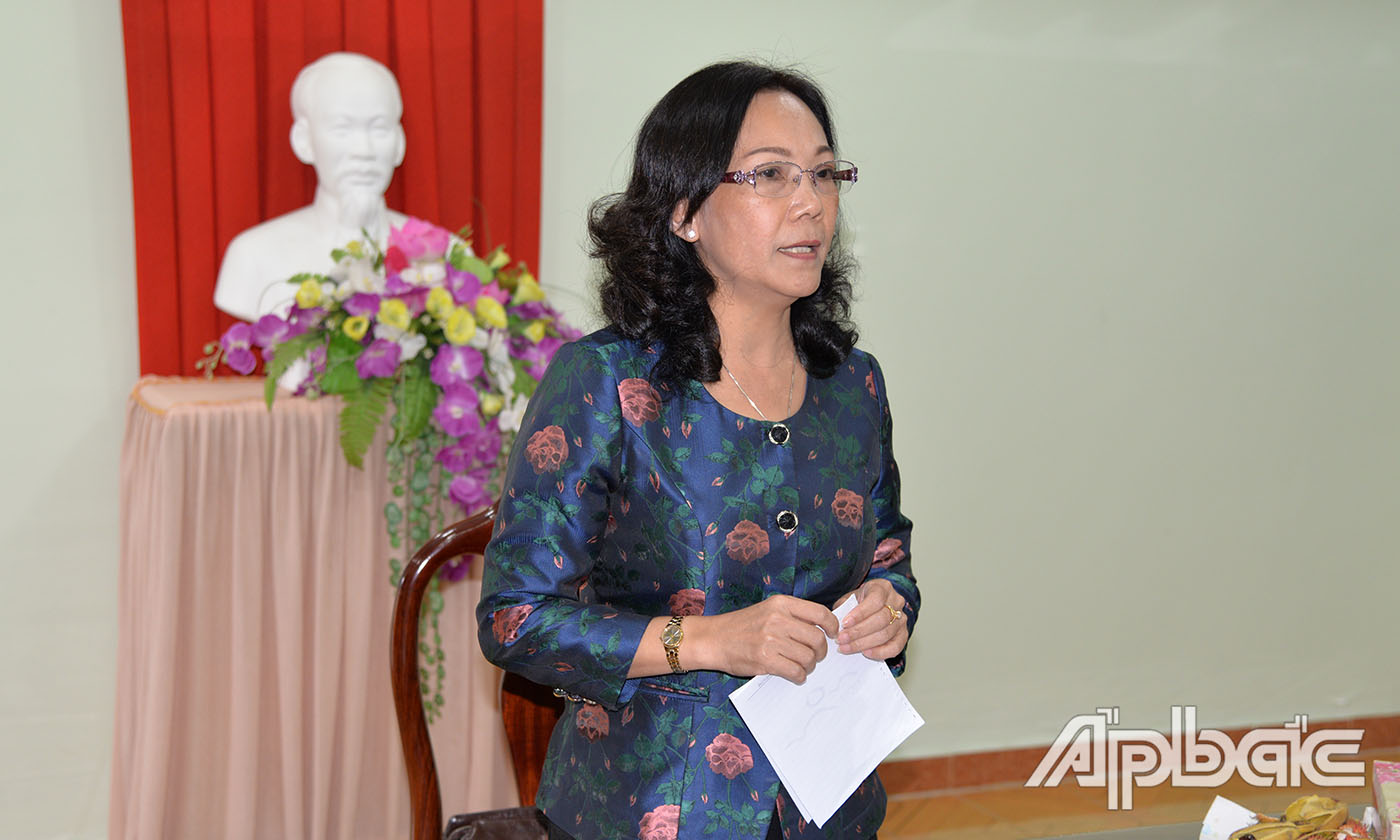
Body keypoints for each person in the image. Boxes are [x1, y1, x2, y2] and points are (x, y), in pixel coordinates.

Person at [477, 61, 919, 840]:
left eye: (824, 173)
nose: (810, 201)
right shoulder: (607, 384)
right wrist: (711, 639)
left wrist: (891, 608)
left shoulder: (854, 385)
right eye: (771, 176)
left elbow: (888, 555)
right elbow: (515, 618)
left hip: (831, 804)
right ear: (685, 212)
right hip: (655, 805)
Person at [213, 51, 408, 321]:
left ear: (399, 144)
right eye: (342, 129)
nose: (363, 151)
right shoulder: (252, 255)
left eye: (379, 129)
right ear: (303, 141)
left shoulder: (444, 256)